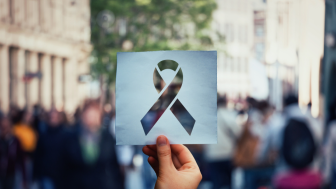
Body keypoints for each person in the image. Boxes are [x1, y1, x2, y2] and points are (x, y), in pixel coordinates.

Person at [59, 101, 124, 189]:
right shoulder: (71, 139)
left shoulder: (107, 138)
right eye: (89, 117)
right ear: (83, 117)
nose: (91, 121)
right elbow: (64, 168)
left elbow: (114, 166)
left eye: (94, 116)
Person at [204, 96, 242, 189]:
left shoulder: (208, 117)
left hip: (212, 154)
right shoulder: (227, 115)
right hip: (227, 153)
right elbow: (238, 132)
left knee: (216, 182)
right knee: (229, 182)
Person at [33, 110, 67, 189]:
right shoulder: (43, 135)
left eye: (55, 118)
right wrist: (35, 175)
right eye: (51, 117)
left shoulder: (65, 135)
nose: (53, 120)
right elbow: (38, 155)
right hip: (46, 173)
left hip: (61, 174)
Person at [0, 116, 27, 189]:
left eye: (6, 126)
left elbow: (21, 159)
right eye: (2, 127)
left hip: (11, 175)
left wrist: (24, 178)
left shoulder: (15, 141)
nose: (4, 129)